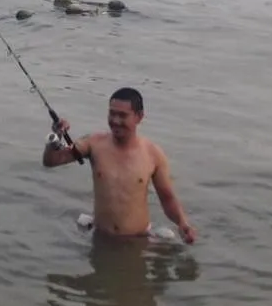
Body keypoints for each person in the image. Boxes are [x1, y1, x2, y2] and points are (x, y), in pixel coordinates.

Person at [43, 87, 197, 243]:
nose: (116, 121)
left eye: (123, 115)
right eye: (112, 113)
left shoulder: (153, 154)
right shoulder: (94, 144)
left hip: (138, 240)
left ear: (139, 117)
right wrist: (56, 137)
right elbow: (51, 161)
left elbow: (167, 198)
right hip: (101, 237)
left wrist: (182, 223)